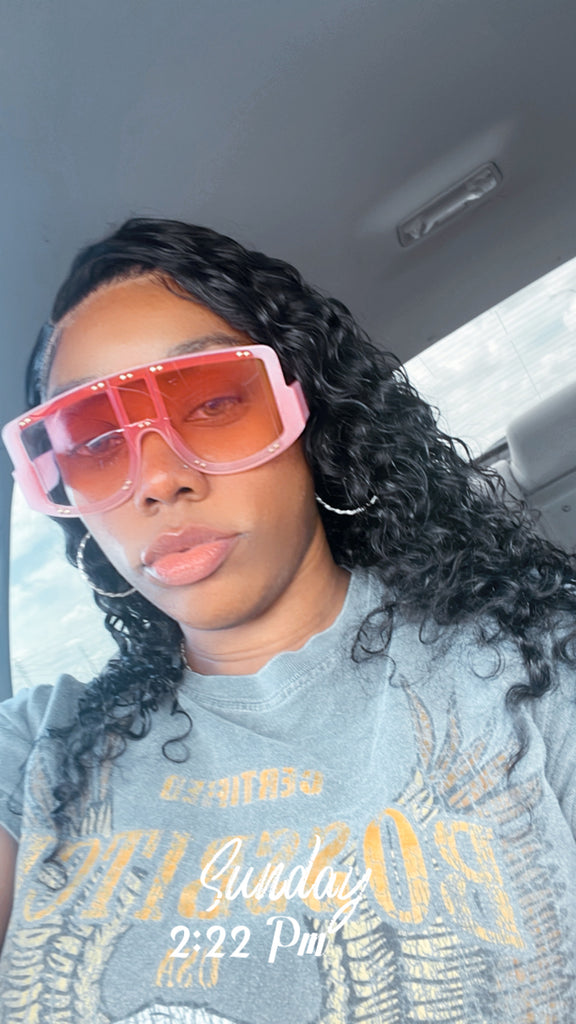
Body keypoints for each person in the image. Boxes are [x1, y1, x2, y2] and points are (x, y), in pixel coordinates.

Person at [0, 217, 575, 1024]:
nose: (157, 479)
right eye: (94, 443)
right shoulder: (39, 750)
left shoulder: (533, 669)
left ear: (308, 415)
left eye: (211, 402)